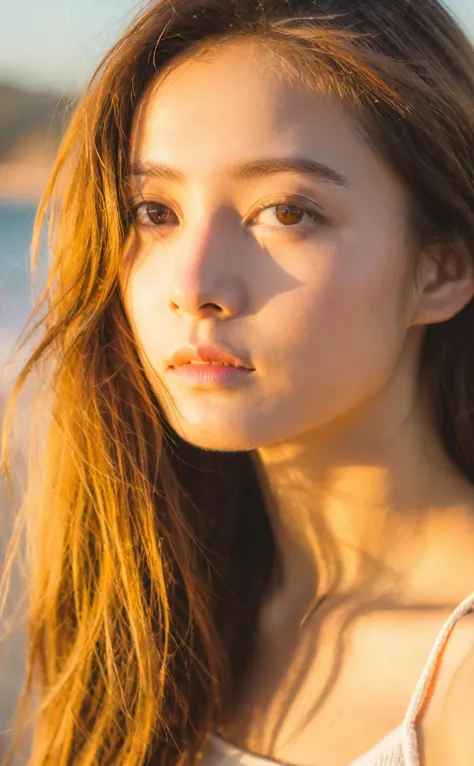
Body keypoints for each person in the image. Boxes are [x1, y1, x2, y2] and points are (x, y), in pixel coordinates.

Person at [2, 0, 474, 763]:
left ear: (442, 266)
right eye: (155, 211)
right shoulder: (160, 610)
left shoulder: (457, 680)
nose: (193, 285)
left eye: (285, 211)